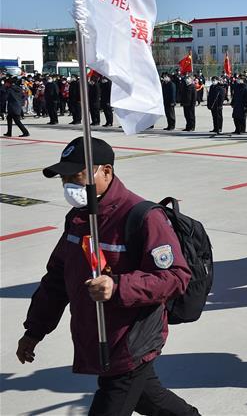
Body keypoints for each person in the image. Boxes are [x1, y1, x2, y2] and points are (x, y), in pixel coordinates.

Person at [17, 137, 198, 416]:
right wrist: (34, 330)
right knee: (149, 398)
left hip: (131, 342)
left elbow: (176, 276)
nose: (69, 186)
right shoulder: (78, 219)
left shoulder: (143, 216)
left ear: (106, 172)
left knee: (117, 398)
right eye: (64, 179)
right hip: (98, 337)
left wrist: (119, 286)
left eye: (76, 177)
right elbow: (56, 279)